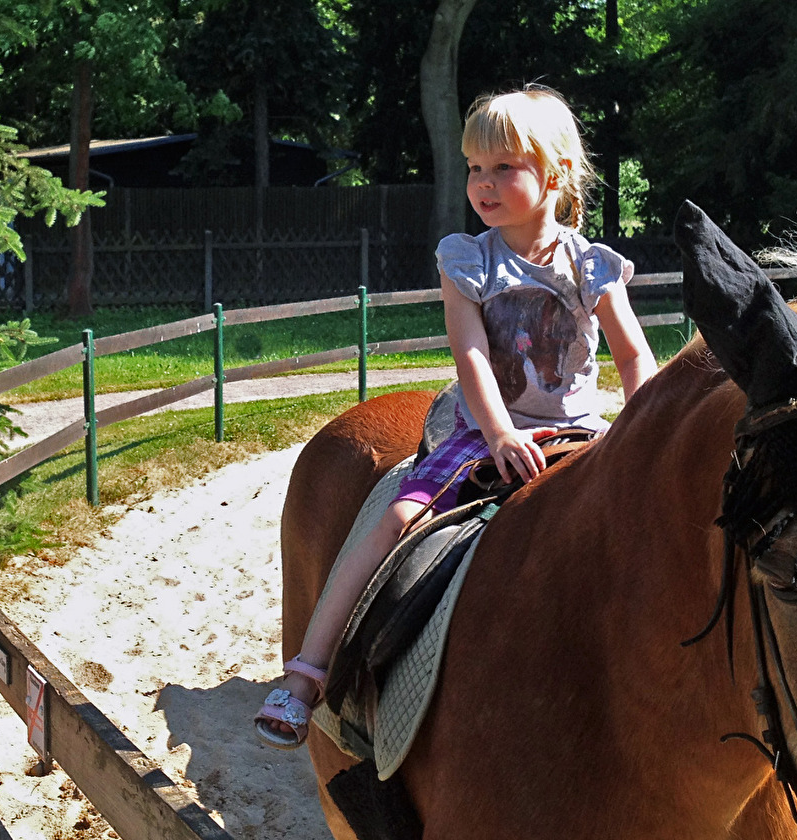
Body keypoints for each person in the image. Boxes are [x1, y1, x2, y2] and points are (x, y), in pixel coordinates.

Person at [254, 86, 659, 748]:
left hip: (576, 431)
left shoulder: (592, 266)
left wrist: (645, 428)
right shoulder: (470, 260)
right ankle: (307, 672)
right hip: (481, 429)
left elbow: (635, 358)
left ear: (553, 175)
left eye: (503, 168)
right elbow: (470, 354)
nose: (483, 183)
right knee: (398, 518)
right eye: (476, 168)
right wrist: (498, 432)